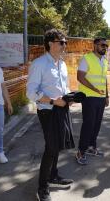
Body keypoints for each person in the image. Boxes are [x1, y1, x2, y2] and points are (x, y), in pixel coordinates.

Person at [27, 29, 74, 201]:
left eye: (65, 42)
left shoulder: (62, 63)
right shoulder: (39, 64)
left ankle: (53, 175)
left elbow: (65, 86)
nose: (64, 45)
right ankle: (42, 187)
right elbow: (31, 92)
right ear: (50, 43)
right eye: (61, 42)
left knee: (59, 145)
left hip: (62, 108)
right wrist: (54, 101)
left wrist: (69, 97)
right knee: (51, 147)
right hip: (47, 110)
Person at [76, 37, 109, 165]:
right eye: (102, 45)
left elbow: (104, 79)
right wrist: (95, 89)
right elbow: (80, 77)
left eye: (106, 45)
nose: (104, 47)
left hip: (101, 98)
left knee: (97, 124)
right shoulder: (87, 58)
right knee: (88, 125)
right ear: (95, 45)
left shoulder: (104, 60)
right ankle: (80, 151)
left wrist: (107, 96)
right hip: (89, 97)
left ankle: (91, 147)